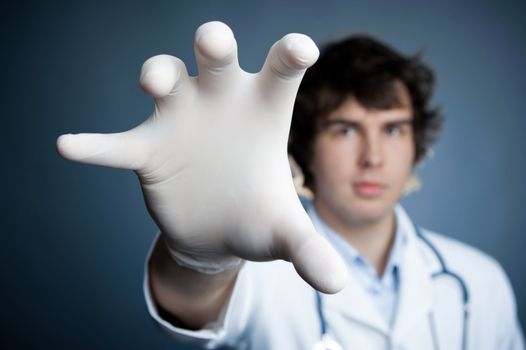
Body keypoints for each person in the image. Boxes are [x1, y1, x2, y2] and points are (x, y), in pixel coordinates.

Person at [56, 21, 524, 349]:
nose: (373, 157)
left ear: (417, 144)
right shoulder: (253, 266)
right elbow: (188, 306)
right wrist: (200, 259)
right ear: (303, 147)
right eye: (344, 129)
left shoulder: (479, 282)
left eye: (394, 129)